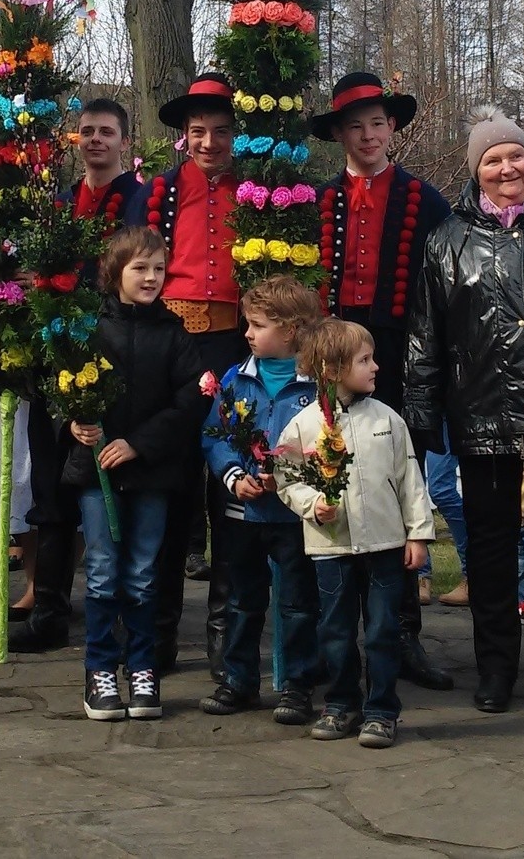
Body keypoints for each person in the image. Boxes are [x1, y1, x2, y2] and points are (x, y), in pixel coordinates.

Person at [405, 106, 524, 714]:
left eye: (515, 154)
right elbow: (425, 334)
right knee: (488, 550)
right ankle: (494, 669)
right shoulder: (448, 240)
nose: (507, 166)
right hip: (481, 417)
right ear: (476, 172)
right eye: (492, 159)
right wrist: (421, 409)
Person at [311, 72, 453, 692]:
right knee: (330, 483)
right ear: (340, 133)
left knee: (400, 487)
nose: (367, 135)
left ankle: (402, 637)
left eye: (377, 124)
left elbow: (448, 292)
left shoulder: (428, 202)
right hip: (332, 357)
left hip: (400, 356)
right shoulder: (319, 202)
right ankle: (335, 640)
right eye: (354, 125)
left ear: (392, 128)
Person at [128, 73, 248, 677]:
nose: (209, 143)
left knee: (228, 487)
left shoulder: (256, 191)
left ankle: (226, 638)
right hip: (172, 347)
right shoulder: (160, 191)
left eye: (220, 132)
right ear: (183, 135)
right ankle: (158, 633)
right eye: (198, 132)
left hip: (233, 344)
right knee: (169, 493)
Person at [61, 227, 205, 720]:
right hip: (96, 470)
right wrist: (75, 421)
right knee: (103, 572)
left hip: (152, 473)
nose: (150, 278)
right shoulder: (87, 328)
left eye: (159, 269)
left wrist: (139, 445)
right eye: (139, 268)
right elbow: (62, 382)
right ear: (115, 271)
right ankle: (100, 668)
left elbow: (191, 399)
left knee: (143, 575)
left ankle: (141, 666)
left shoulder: (174, 333)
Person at [12, 96, 138, 654]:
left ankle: (124, 612)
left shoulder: (141, 201)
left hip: (115, 358)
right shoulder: (58, 205)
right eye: (86, 132)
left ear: (124, 142)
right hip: (55, 357)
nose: (95, 141)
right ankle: (49, 609)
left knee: (113, 485)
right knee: (52, 482)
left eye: (106, 132)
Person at [276, 320, 433, 749]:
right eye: (364, 360)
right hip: (332, 547)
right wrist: (313, 504)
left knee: (383, 629)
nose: (376, 367)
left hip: (385, 546)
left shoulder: (388, 420)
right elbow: (287, 478)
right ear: (331, 369)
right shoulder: (304, 425)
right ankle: (341, 703)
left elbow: (409, 480)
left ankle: (382, 711)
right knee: (336, 630)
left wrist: (417, 535)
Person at [199, 276, 322, 725]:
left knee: (296, 602)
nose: (247, 334)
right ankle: (237, 680)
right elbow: (216, 434)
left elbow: (327, 443)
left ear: (290, 329)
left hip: (293, 515)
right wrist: (234, 477)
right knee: (241, 599)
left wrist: (291, 479)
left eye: (257, 325)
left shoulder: (316, 385)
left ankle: (297, 685)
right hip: (243, 511)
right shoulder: (235, 378)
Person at [417, 423, 469, 608]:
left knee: (441, 490)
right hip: (408, 404)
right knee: (411, 490)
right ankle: (420, 575)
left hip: (443, 410)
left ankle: (474, 572)